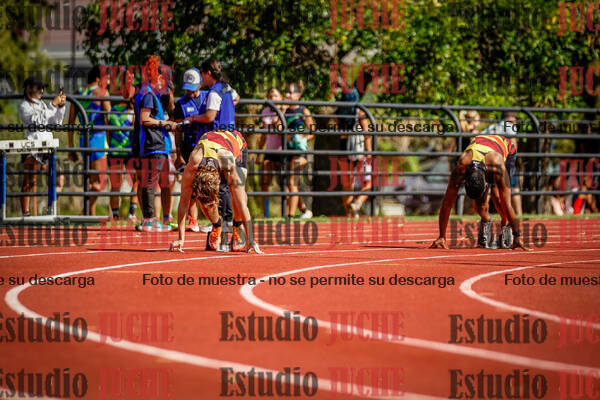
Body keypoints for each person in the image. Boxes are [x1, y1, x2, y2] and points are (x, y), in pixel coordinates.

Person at [430, 134, 529, 250]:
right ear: (465, 180)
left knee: (498, 197)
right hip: (482, 148)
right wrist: (442, 236)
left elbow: (507, 204)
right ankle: (486, 221)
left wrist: (517, 235)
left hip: (505, 148)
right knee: (479, 206)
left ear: (486, 184)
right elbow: (447, 203)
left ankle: (505, 224)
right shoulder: (461, 167)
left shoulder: (498, 166)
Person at [169, 130, 262, 254]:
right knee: (206, 199)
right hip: (212, 145)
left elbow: (242, 204)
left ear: (218, 179)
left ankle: (237, 226)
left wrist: (251, 239)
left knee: (237, 192)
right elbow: (183, 203)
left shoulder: (229, 164)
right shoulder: (193, 164)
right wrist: (181, 239)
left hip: (237, 144)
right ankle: (217, 225)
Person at [182, 60, 238, 233]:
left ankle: (223, 220)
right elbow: (236, 98)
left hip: (218, 139)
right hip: (231, 137)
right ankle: (228, 220)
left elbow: (210, 116)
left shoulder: (214, 91)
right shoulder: (226, 87)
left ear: (208, 73)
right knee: (227, 182)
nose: (202, 79)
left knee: (220, 183)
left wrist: (193, 118)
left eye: (203, 74)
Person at [131, 55, 178, 232]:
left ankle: (152, 218)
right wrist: (164, 123)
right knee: (149, 181)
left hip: (158, 143)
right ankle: (149, 219)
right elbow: (144, 119)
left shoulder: (150, 93)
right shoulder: (148, 93)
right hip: (152, 144)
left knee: (154, 181)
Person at [18, 76, 67, 216]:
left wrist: (60, 107)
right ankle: (26, 214)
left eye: (42, 88)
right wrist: (53, 105)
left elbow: (55, 123)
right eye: (38, 87)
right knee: (29, 182)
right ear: (28, 89)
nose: (41, 90)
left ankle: (50, 207)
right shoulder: (24, 106)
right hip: (32, 147)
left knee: (58, 176)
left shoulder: (44, 105)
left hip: (47, 147)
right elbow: (36, 122)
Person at [68, 66, 110, 216]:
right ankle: (85, 212)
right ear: (98, 79)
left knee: (91, 181)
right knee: (100, 182)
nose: (108, 82)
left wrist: (71, 147)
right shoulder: (102, 92)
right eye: (106, 78)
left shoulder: (77, 93)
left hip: (83, 140)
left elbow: (71, 122)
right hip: (98, 139)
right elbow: (110, 118)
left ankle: (89, 215)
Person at [335, 80, 372, 218]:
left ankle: (349, 214)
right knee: (368, 183)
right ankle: (357, 204)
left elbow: (340, 132)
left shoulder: (339, 113)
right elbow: (366, 134)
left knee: (347, 184)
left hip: (344, 148)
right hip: (359, 149)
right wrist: (369, 152)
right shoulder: (360, 112)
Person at [107, 77, 138, 222]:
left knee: (126, 182)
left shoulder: (115, 110)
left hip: (121, 151)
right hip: (123, 151)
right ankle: (124, 214)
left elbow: (108, 132)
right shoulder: (128, 111)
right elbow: (109, 131)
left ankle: (123, 214)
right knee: (123, 183)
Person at [481, 111, 522, 215]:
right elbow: (513, 145)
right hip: (504, 161)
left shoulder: (492, 127)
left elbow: (479, 137)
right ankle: (519, 214)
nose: (515, 121)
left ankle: (484, 213)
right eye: (514, 119)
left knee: (488, 188)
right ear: (509, 118)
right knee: (513, 188)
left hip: (489, 161)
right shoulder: (509, 126)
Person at [284, 81, 314, 219]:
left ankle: (290, 216)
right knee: (289, 184)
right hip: (287, 151)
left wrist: (303, 138)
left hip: (300, 151)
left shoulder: (303, 111)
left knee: (292, 182)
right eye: (287, 92)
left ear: (298, 95)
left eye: (291, 92)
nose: (288, 95)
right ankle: (304, 210)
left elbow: (313, 131)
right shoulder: (284, 111)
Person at [257, 87, 287, 217]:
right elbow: (264, 135)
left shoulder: (286, 110)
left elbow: (281, 131)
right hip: (269, 151)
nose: (272, 98)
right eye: (270, 96)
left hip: (283, 152)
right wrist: (259, 152)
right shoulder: (265, 112)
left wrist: (281, 113)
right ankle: (266, 214)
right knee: (264, 183)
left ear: (281, 97)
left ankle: (288, 213)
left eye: (275, 96)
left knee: (284, 184)